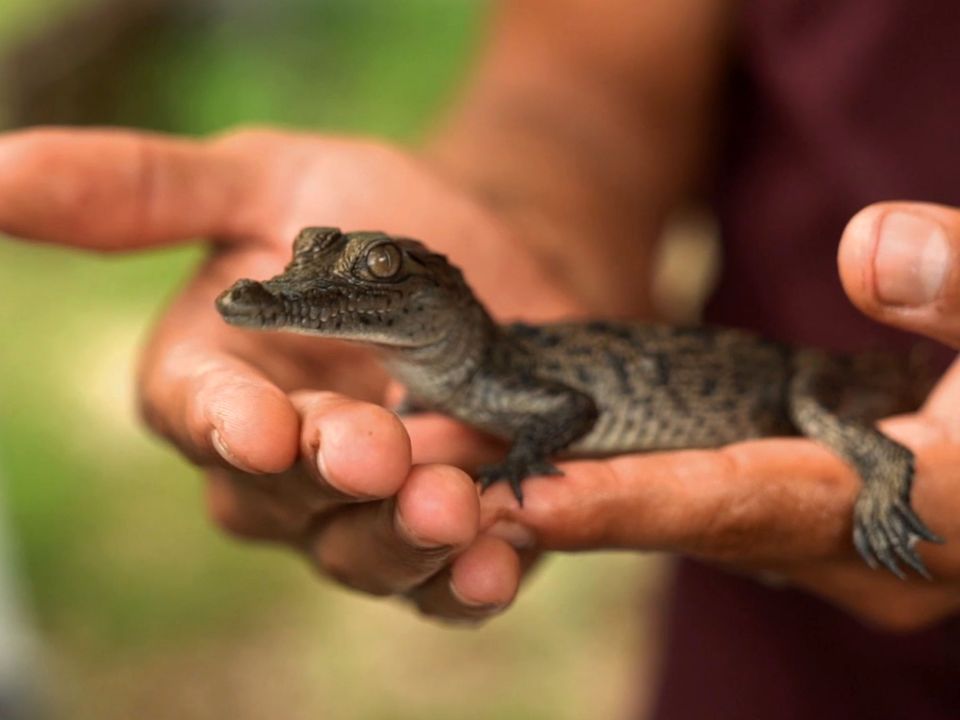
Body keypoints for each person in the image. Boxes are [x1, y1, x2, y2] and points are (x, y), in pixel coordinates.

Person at [1, 0, 958, 716]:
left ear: (433, 289)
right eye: (334, 264)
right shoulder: (442, 367)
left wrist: (522, 459)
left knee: (832, 423)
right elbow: (589, 79)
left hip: (802, 382)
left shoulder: (494, 381)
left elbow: (570, 415)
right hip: (779, 649)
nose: (321, 286)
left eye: (377, 268)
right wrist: (529, 220)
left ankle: (882, 476)